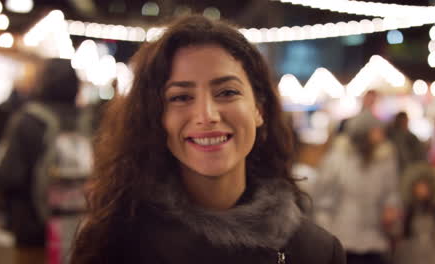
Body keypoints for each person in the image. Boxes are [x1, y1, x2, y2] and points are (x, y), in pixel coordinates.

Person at [70, 15, 345, 264]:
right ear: (156, 117)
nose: (206, 115)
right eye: (180, 97)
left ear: (258, 108)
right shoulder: (113, 244)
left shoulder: (316, 252)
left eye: (227, 92)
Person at [0, 58, 82, 264]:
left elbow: (9, 175)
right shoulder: (86, 120)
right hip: (77, 227)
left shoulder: (28, 120)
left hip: (33, 228)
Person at [314, 111, 401, 264]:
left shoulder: (385, 158)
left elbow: (392, 191)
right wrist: (326, 237)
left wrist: (391, 208)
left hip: (375, 238)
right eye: (376, 131)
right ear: (363, 133)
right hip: (343, 236)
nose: (381, 135)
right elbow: (323, 199)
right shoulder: (338, 158)